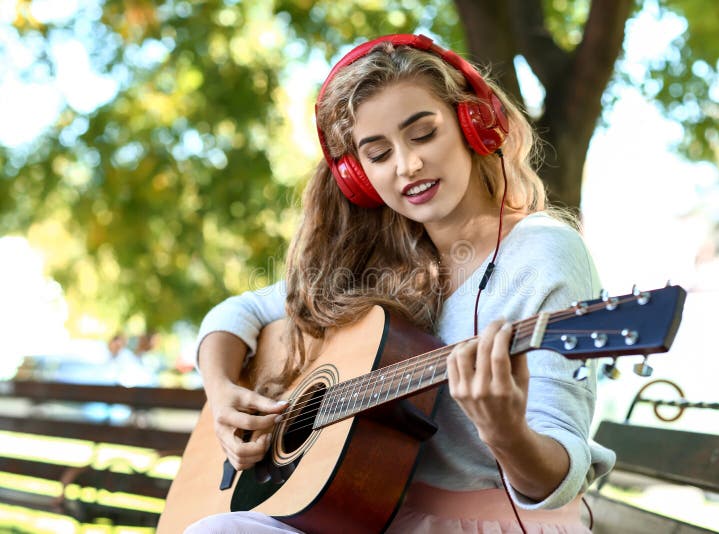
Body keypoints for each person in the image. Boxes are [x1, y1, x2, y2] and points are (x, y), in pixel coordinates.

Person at [188, 34, 615, 533]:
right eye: (378, 153)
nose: (407, 166)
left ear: (473, 123)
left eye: (423, 134)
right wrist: (221, 394)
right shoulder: (380, 262)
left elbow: (558, 475)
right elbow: (236, 313)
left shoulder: (543, 252)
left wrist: (506, 432)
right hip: (375, 516)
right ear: (358, 177)